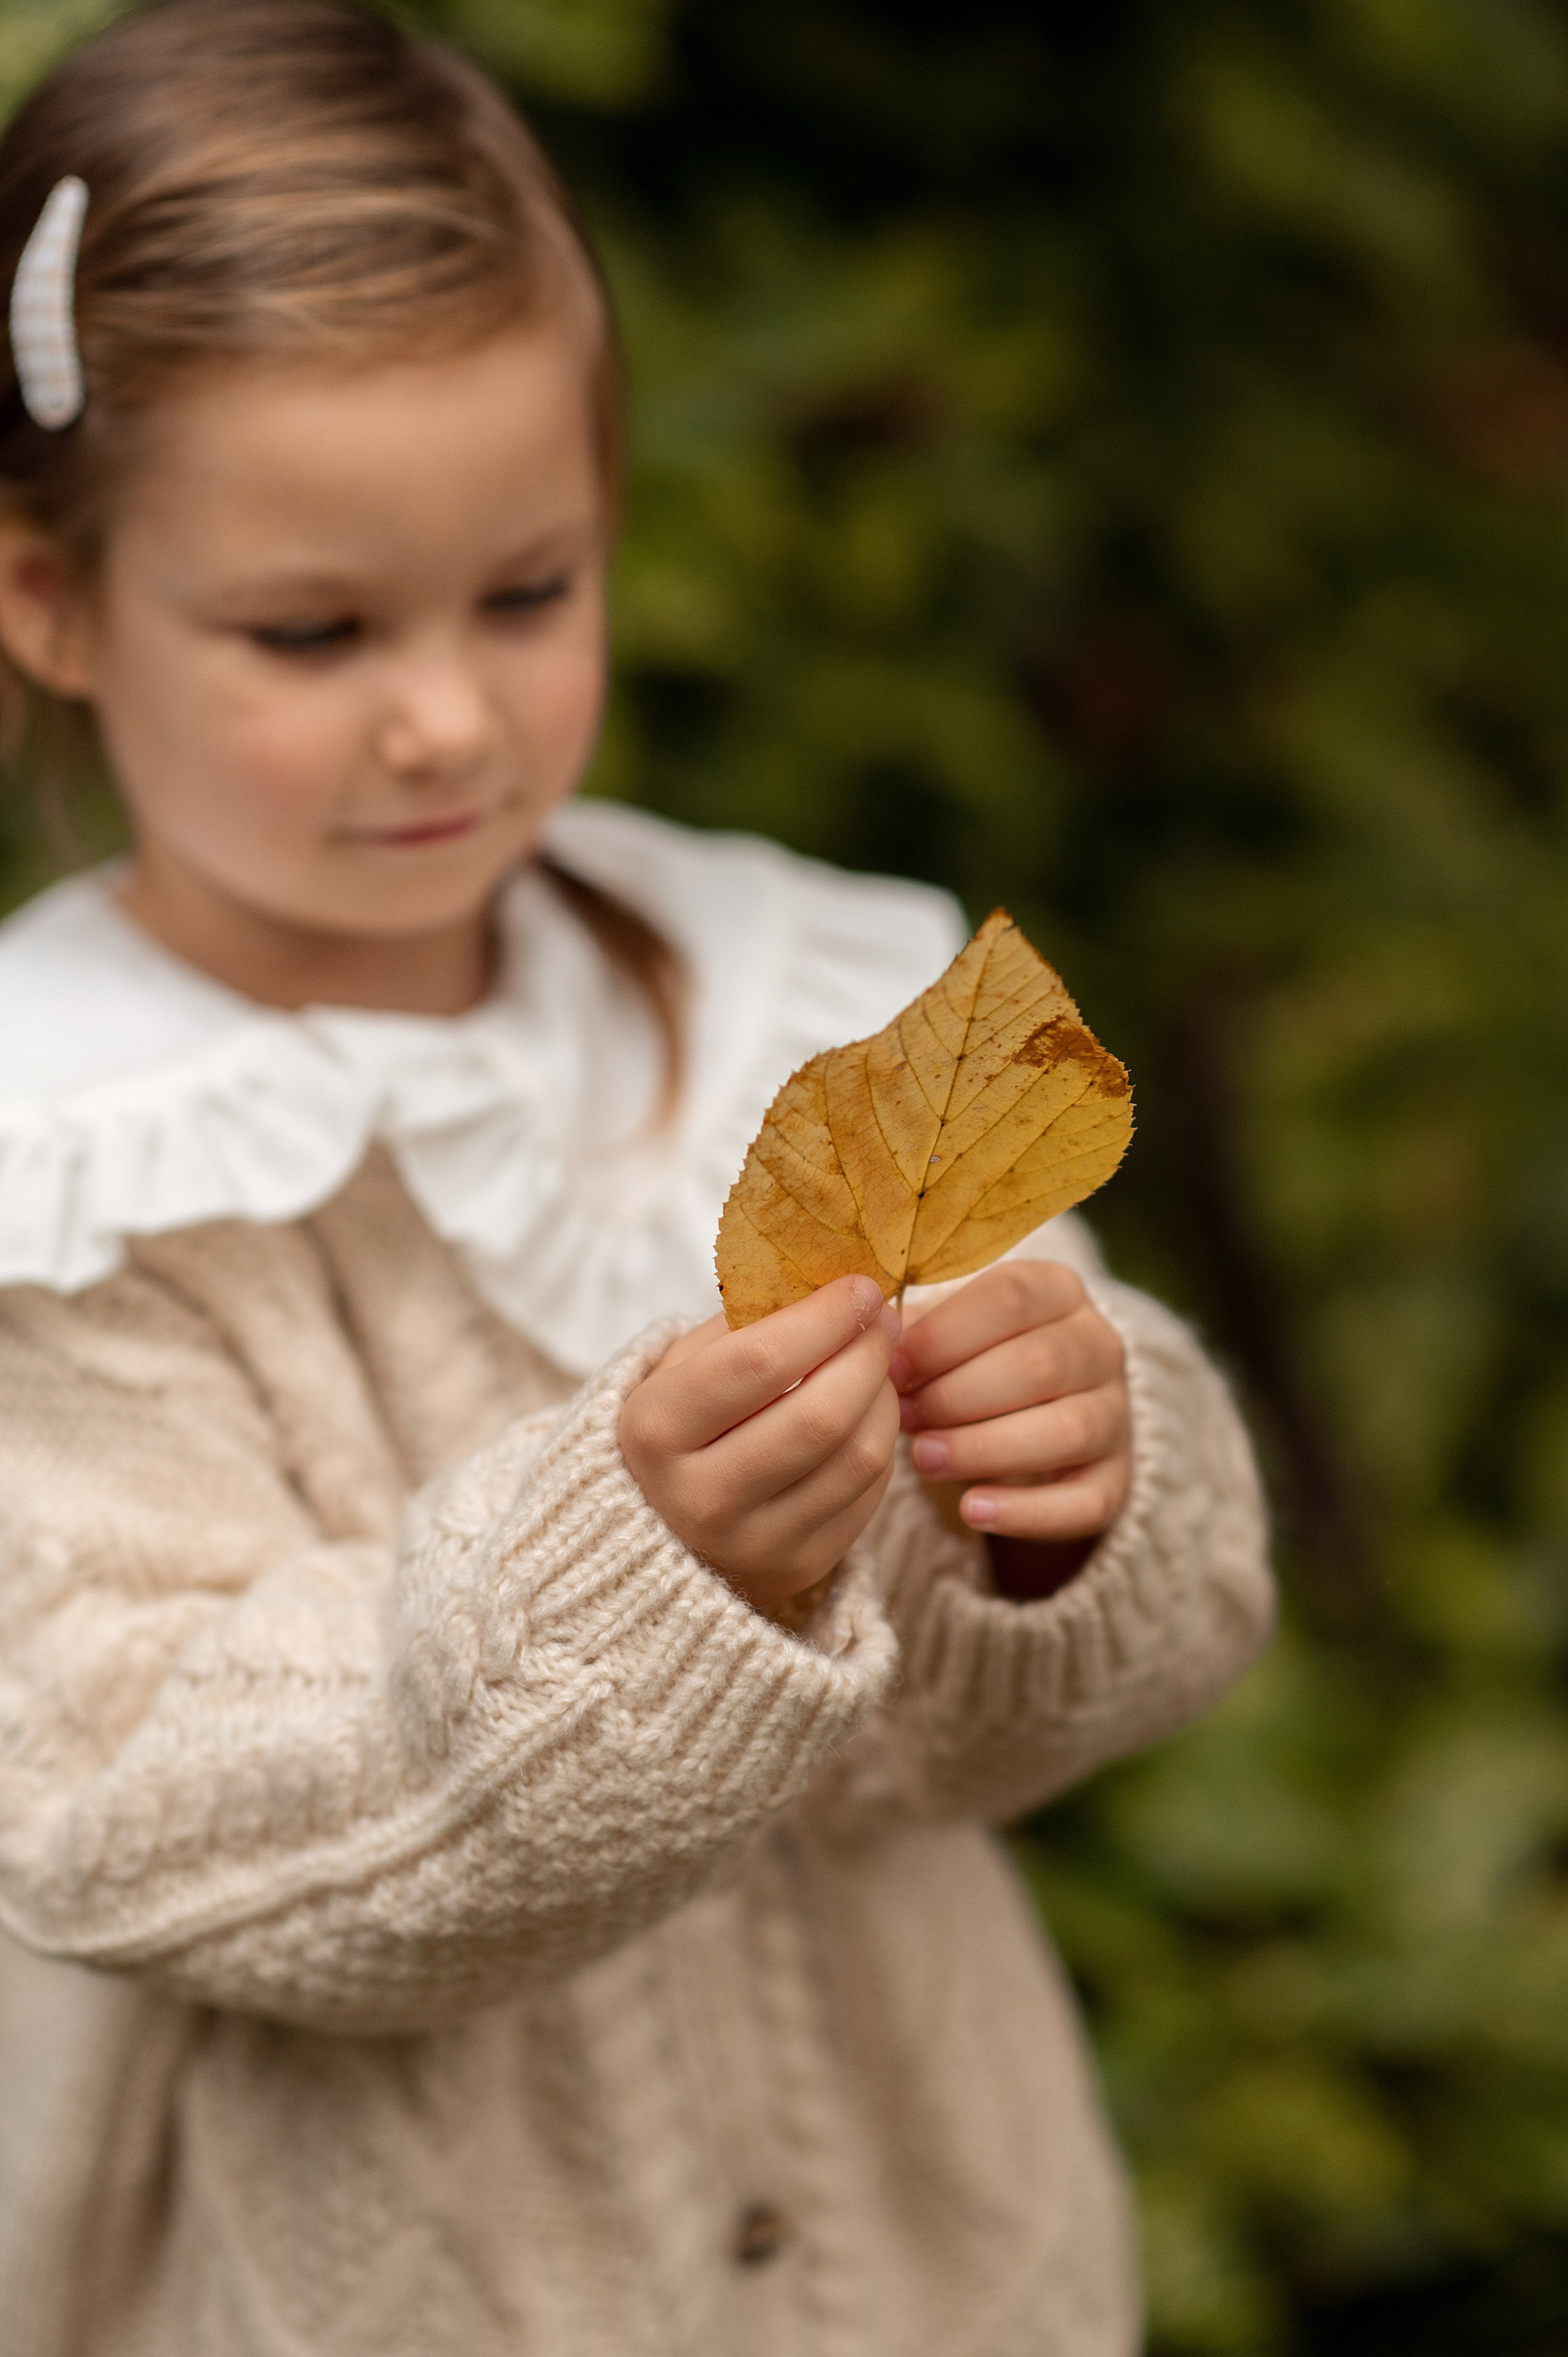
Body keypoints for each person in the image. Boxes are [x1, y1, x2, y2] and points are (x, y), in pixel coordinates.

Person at [0, 5, 1273, 2351]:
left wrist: (1074, 1498)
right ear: (49, 599)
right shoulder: (53, 1170)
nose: (450, 718)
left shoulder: (794, 999)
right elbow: (128, 1817)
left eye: (527, 592)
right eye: (313, 630)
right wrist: (627, 1587)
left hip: (927, 2281)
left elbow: (1017, 1721)